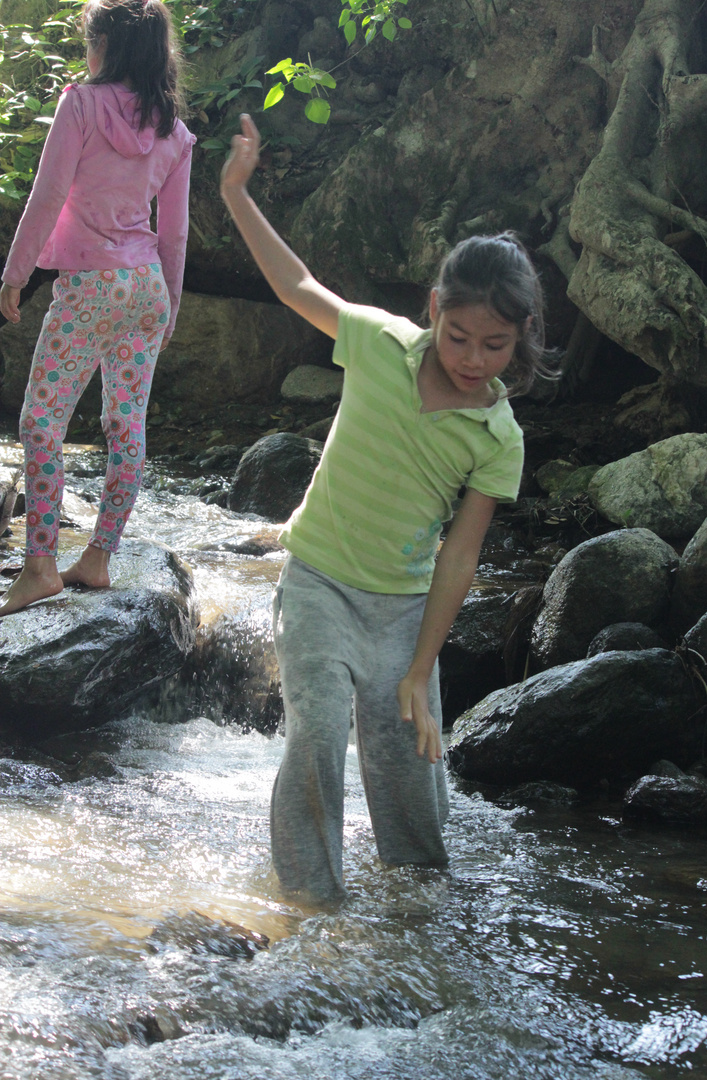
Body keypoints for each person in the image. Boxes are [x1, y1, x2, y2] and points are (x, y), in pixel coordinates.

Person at [221, 114, 552, 904]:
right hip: (318, 586)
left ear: (521, 338)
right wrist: (235, 192)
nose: (473, 358)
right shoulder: (376, 342)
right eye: (460, 334)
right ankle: (313, 905)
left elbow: (460, 556)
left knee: (410, 767)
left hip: (405, 611)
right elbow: (297, 285)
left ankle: (421, 912)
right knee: (318, 733)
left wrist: (421, 664)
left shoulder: (497, 436)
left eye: (495, 345)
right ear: (435, 308)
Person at [0, 0, 195, 616]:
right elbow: (176, 233)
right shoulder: (175, 131)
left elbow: (49, 192)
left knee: (40, 422)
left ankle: (40, 566)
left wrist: (15, 272)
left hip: (90, 286)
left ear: (108, 45)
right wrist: (170, 306)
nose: (87, 53)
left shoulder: (79, 105)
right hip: (145, 290)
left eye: (91, 42)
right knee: (126, 425)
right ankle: (100, 558)